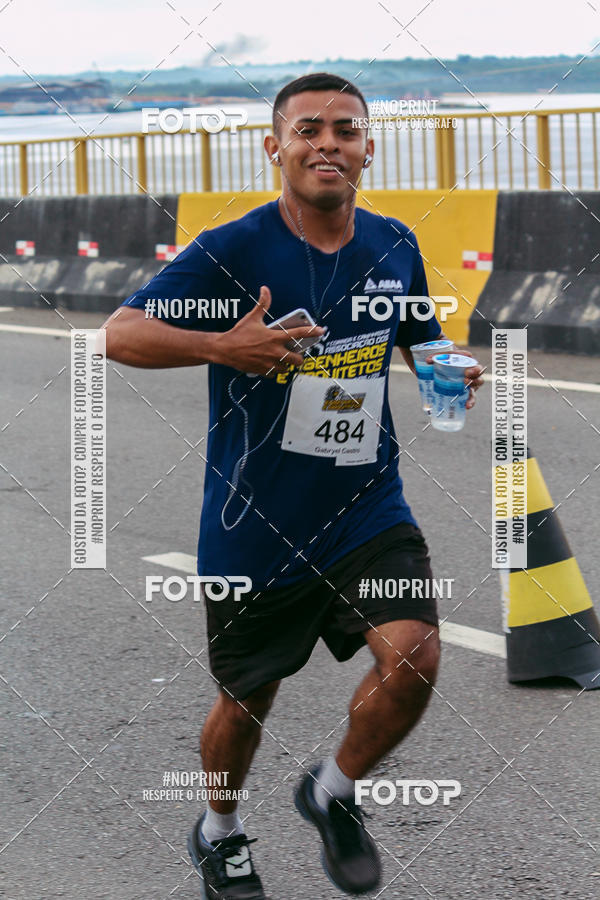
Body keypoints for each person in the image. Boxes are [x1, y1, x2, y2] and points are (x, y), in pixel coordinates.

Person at [104, 72, 483, 899]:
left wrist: (448, 368)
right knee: (245, 703)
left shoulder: (393, 244)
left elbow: (421, 340)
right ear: (275, 148)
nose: (327, 144)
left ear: (368, 149)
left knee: (415, 656)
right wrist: (221, 347)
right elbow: (119, 334)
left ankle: (332, 791)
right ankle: (219, 831)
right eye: (308, 130)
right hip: (256, 525)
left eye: (346, 129)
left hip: (365, 507)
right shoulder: (235, 249)